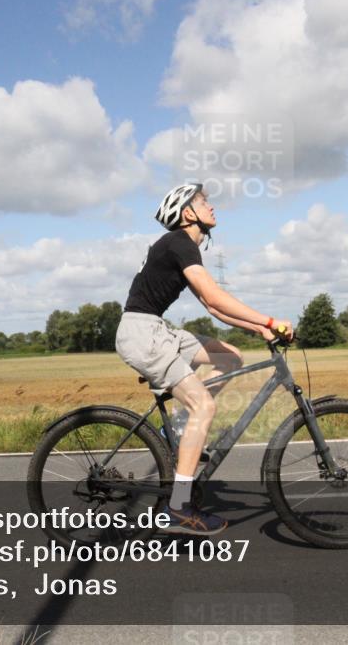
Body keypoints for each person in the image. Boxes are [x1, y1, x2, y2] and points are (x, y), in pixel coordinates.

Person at [114, 182, 293, 535]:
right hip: (144, 334)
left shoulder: (183, 248)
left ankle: (179, 428)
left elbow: (213, 306)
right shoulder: (179, 243)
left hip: (157, 330)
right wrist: (270, 320)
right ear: (188, 214)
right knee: (204, 408)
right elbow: (215, 295)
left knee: (229, 358)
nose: (212, 206)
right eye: (203, 201)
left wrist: (258, 330)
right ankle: (178, 506)